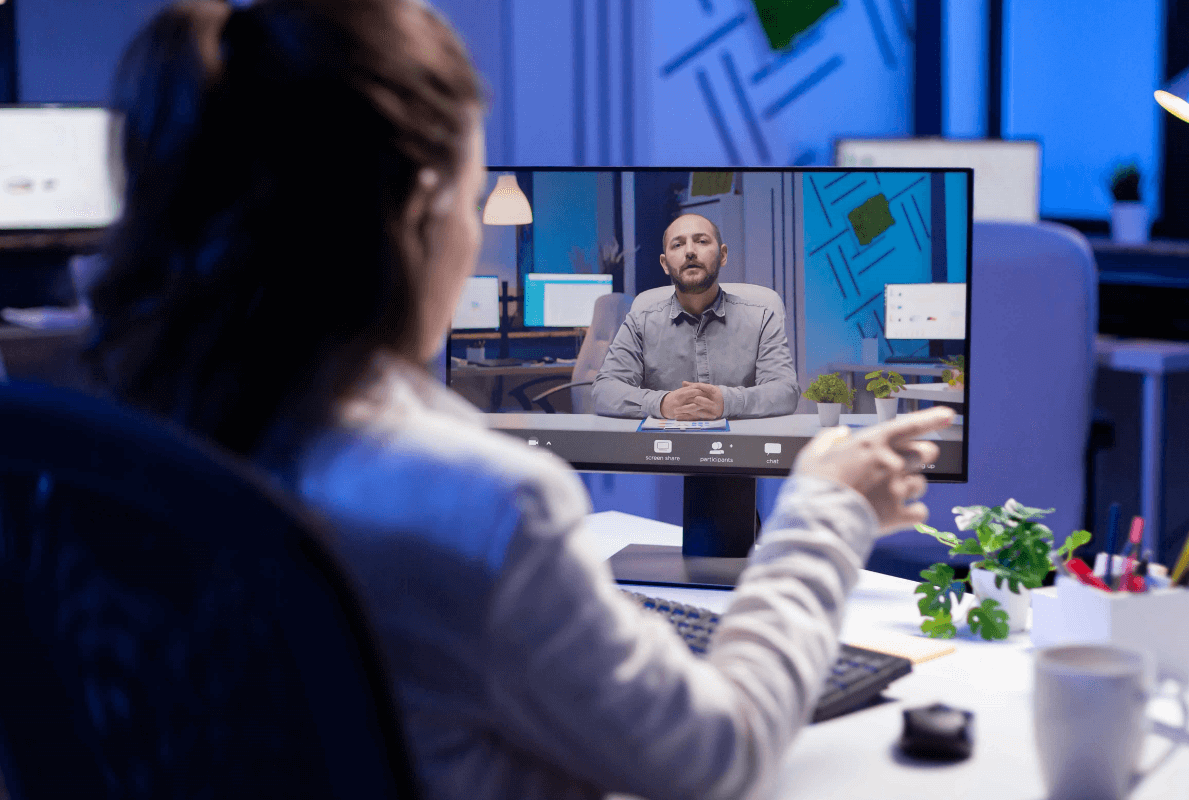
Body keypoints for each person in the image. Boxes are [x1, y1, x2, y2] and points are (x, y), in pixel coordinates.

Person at [87, 2, 955, 799]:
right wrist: (825, 510)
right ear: (423, 207)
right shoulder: (489, 505)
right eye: (472, 199)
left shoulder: (116, 433)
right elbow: (713, 755)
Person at [591, 213, 800, 420]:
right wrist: (662, 404)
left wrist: (727, 402)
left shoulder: (761, 318)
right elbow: (604, 390)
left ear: (723, 255)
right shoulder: (640, 323)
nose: (690, 251)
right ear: (664, 264)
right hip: (664, 446)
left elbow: (786, 391)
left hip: (741, 447)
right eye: (677, 245)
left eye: (701, 241)